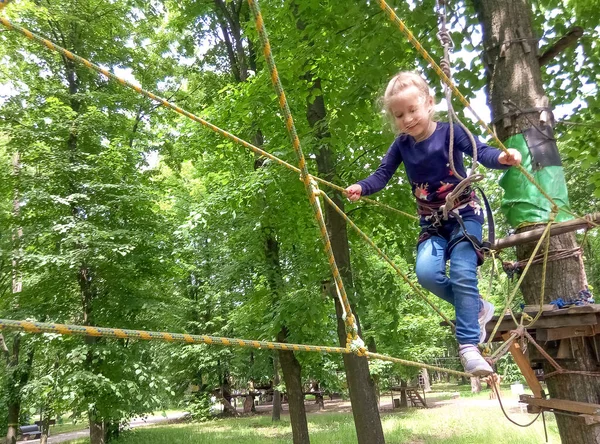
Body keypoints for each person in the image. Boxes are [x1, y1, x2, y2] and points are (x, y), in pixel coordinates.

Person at [345, 71, 522, 376]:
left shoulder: (451, 132)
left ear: (428, 103)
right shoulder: (402, 145)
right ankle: (477, 308)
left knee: (464, 272)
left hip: (465, 215)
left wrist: (503, 158)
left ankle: (468, 346)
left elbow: (483, 151)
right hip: (432, 222)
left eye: (412, 110)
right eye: (399, 115)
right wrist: (362, 187)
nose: (406, 119)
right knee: (426, 274)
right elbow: (381, 174)